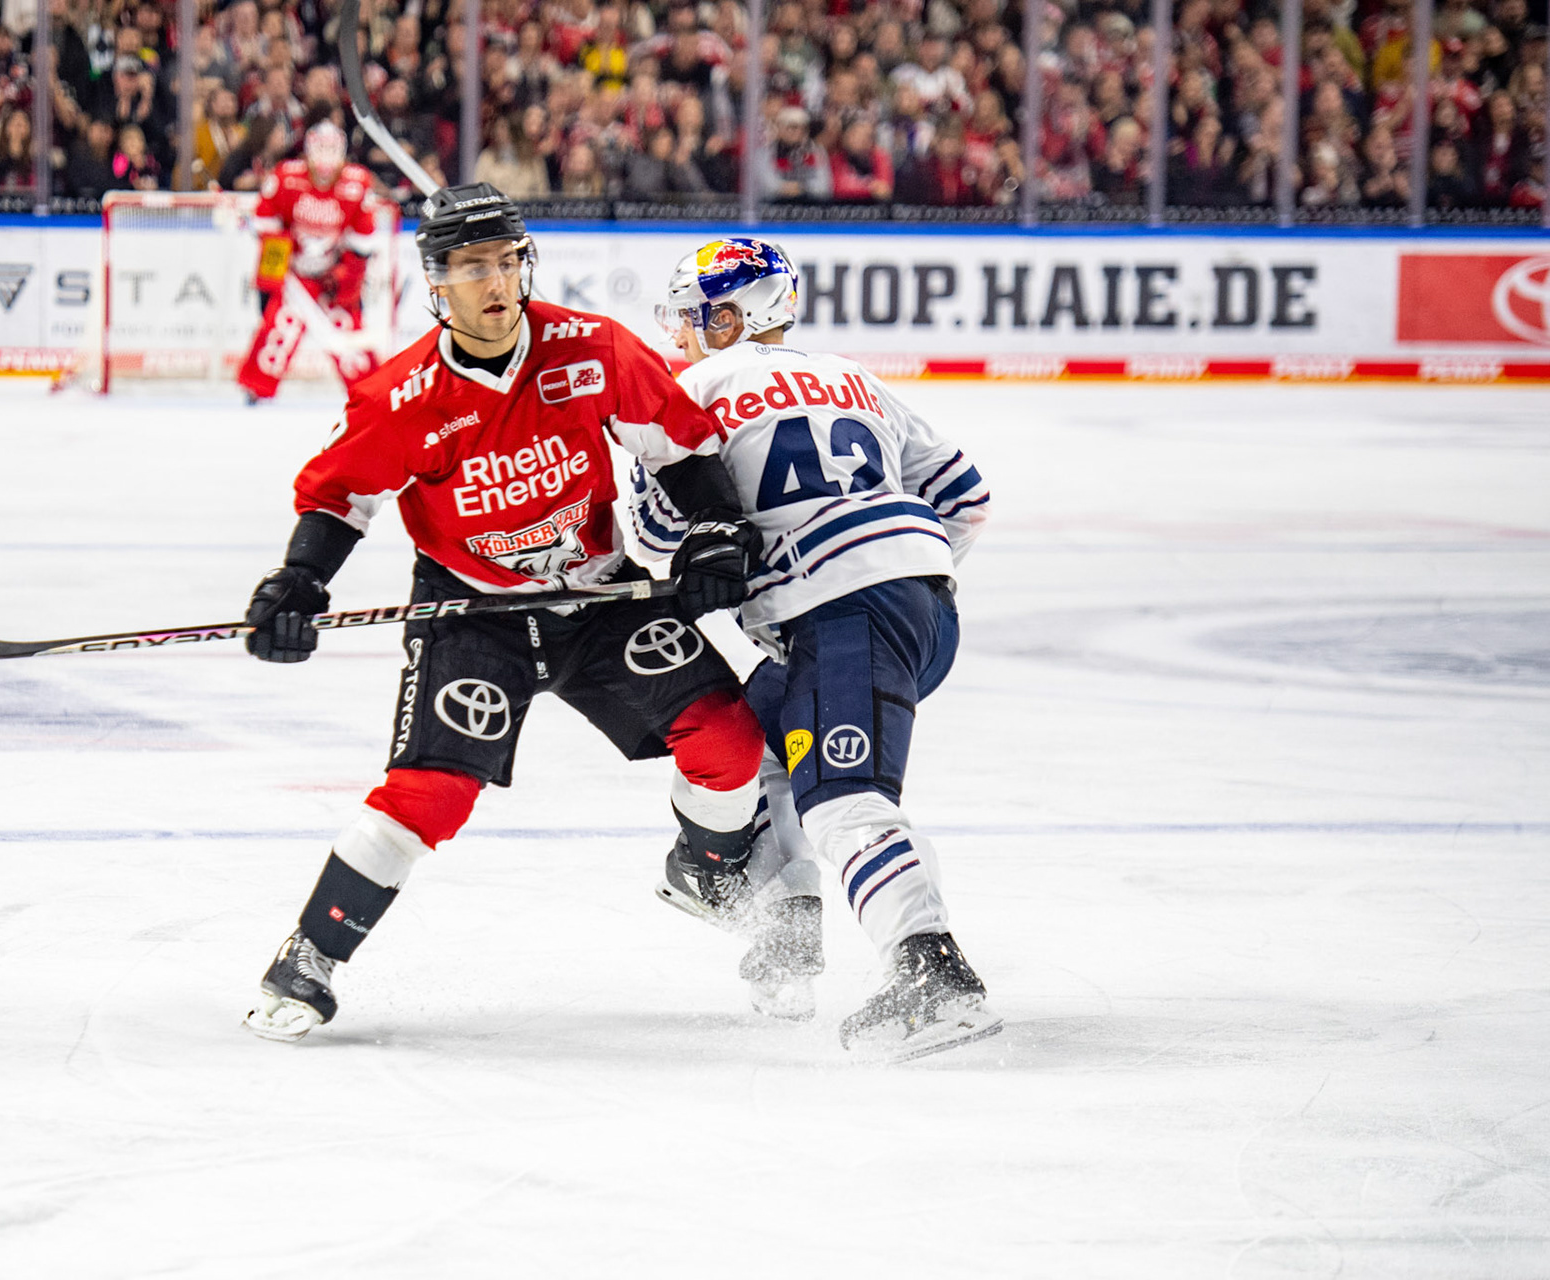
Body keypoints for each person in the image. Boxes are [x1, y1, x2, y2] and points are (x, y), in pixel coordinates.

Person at [239, 184, 767, 1044]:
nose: (497, 282)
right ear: (436, 284)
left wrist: (713, 534)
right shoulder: (400, 397)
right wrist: (300, 582)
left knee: (730, 738)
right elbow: (340, 497)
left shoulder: (591, 350)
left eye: (508, 260)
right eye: (473, 266)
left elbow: (681, 444)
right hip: (470, 613)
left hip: (597, 597)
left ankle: (707, 869)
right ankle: (308, 958)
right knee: (431, 792)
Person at [635, 237, 1001, 1061]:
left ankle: (932, 971)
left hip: (839, 613)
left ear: (733, 319)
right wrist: (902, 571)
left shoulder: (693, 387)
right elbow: (967, 501)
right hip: (910, 605)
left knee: (842, 798)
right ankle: (790, 924)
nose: (684, 336)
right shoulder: (853, 376)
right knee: (769, 738)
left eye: (696, 318)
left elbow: (657, 528)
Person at [234, 121, 386, 404]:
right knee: (282, 322)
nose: (326, 165)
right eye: (320, 151)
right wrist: (274, 274)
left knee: (345, 327)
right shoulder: (286, 176)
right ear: (308, 153)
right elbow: (266, 222)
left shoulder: (357, 183)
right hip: (295, 271)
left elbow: (363, 239)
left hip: (332, 272)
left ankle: (370, 392)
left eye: (333, 152)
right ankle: (256, 386)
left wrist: (347, 276)